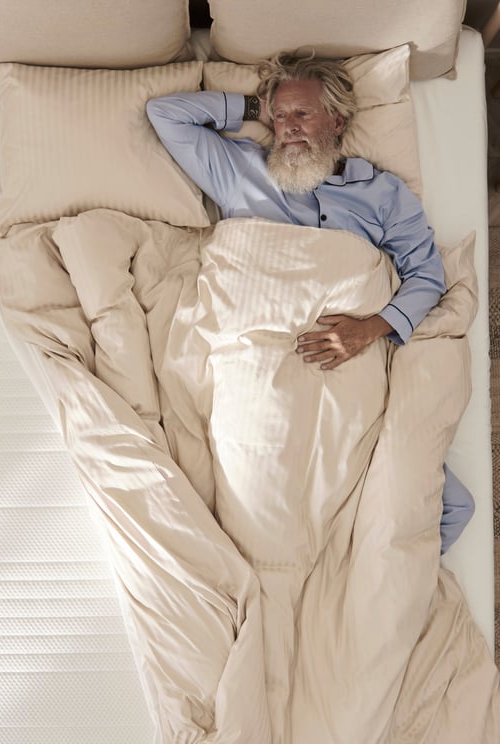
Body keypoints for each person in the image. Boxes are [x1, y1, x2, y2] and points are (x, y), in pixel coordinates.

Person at [146, 50, 474, 554]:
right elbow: (165, 115)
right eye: (281, 117)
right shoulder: (240, 170)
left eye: (303, 114)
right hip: (257, 349)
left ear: (337, 120)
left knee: (449, 505)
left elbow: (426, 275)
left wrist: (370, 328)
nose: (289, 128)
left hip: (350, 357)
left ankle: (357, 578)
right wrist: (257, 109)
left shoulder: (381, 192)